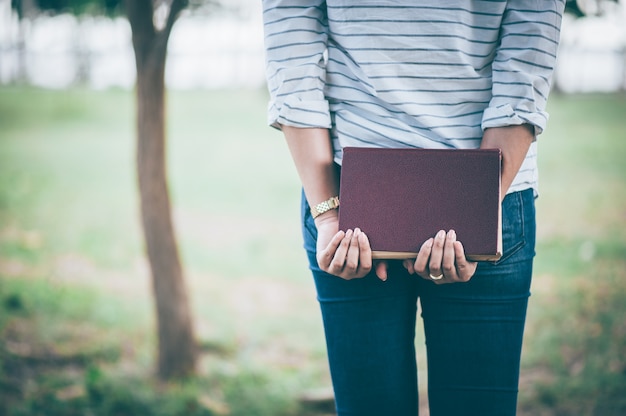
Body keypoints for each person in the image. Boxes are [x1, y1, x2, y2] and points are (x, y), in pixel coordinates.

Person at [263, 2, 565, 415]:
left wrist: (476, 216)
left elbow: (526, 66)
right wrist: (331, 215)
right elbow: (292, 54)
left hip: (488, 190)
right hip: (347, 200)